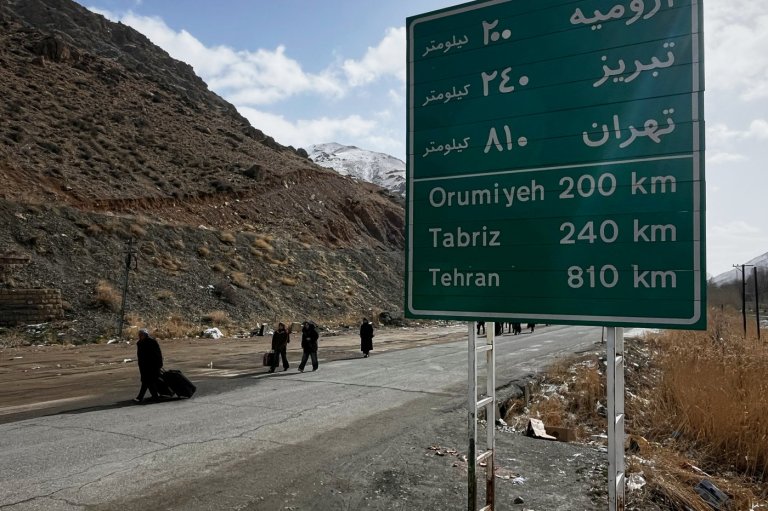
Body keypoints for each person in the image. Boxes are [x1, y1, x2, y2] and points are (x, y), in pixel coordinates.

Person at [134, 328, 163, 403]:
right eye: (140, 335)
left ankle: (140, 397)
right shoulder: (139, 343)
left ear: (146, 335)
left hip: (152, 365)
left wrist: (159, 364)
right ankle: (155, 396)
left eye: (142, 335)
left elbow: (158, 354)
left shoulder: (152, 342)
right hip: (143, 366)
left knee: (147, 381)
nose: (140, 336)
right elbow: (140, 356)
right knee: (148, 382)